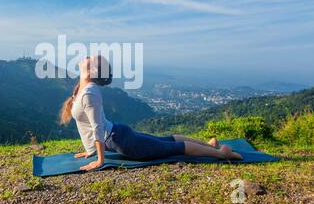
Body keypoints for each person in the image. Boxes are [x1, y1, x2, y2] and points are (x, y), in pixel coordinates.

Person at [59, 55, 243, 171]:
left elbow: (97, 126)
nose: (86, 57)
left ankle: (222, 154)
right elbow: (87, 126)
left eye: (90, 58)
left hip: (122, 141)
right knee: (167, 140)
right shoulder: (82, 88)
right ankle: (210, 145)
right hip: (118, 134)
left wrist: (99, 160)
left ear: (92, 70)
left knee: (173, 147)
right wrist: (89, 150)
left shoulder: (90, 92)